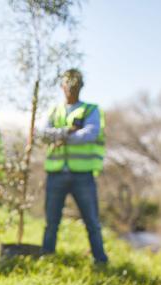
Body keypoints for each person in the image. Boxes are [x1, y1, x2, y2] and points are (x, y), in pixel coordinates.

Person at [40, 69, 108, 264]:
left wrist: (60, 136)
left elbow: (90, 134)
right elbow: (43, 133)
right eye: (67, 85)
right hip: (56, 174)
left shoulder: (91, 109)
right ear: (62, 87)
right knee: (51, 222)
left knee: (92, 221)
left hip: (82, 175)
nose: (71, 90)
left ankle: (100, 259)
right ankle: (47, 257)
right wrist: (68, 131)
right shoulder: (54, 110)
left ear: (81, 86)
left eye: (75, 86)